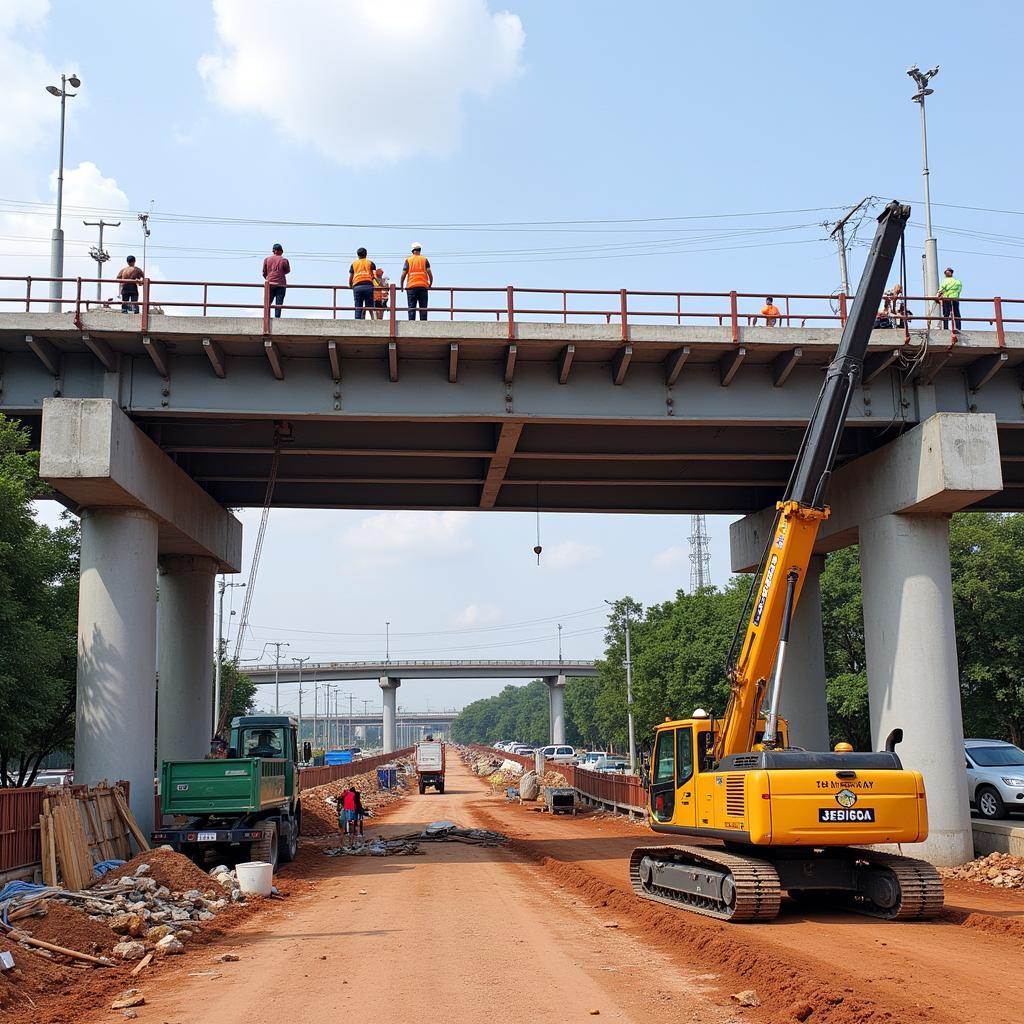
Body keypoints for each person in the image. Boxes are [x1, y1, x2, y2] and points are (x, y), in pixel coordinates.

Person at [400, 243, 433, 321]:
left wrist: (401, 285)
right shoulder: (424, 259)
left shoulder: (408, 260)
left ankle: (411, 325)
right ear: (420, 251)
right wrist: (430, 283)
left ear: (412, 251)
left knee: (411, 308)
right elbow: (429, 272)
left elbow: (403, 273)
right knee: (423, 309)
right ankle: (423, 325)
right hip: (423, 287)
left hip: (411, 287)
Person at [262, 243, 291, 318]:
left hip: (270, 284)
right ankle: (277, 318)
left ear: (273, 251)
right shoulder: (284, 260)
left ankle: (266, 318)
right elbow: (287, 270)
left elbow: (264, 273)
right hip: (281, 284)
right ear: (280, 251)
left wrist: (269, 277)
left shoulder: (267, 259)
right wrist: (279, 273)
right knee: (278, 303)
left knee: (268, 302)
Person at [348, 247, 377, 319]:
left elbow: (351, 276)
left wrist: (350, 285)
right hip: (368, 286)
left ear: (357, 255)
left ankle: (357, 321)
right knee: (370, 305)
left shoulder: (354, 264)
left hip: (357, 286)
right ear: (366, 254)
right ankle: (373, 320)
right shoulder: (370, 263)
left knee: (358, 306)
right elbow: (374, 276)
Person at [937, 266, 963, 332]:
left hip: (946, 298)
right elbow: (959, 290)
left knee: (946, 313)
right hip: (955, 298)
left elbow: (941, 290)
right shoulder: (957, 281)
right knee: (956, 314)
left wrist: (937, 297)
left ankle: (946, 328)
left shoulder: (944, 281)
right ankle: (958, 328)